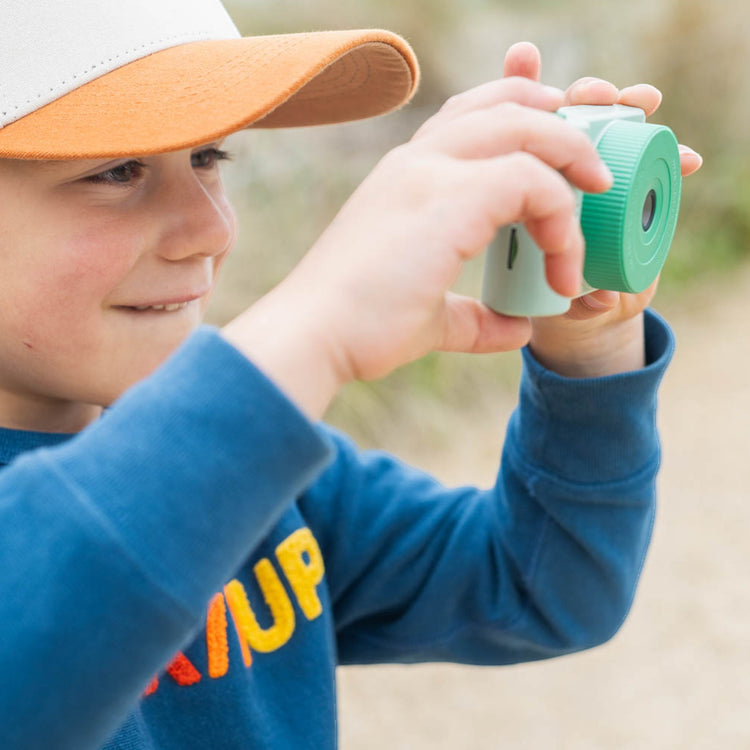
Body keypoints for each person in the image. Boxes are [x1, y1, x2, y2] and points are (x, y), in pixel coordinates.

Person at [0, 1, 702, 748]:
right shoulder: (224, 447)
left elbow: (544, 587)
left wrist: (588, 344)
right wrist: (316, 324)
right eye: (117, 170)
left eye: (209, 158)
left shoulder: (266, 480)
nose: (214, 229)